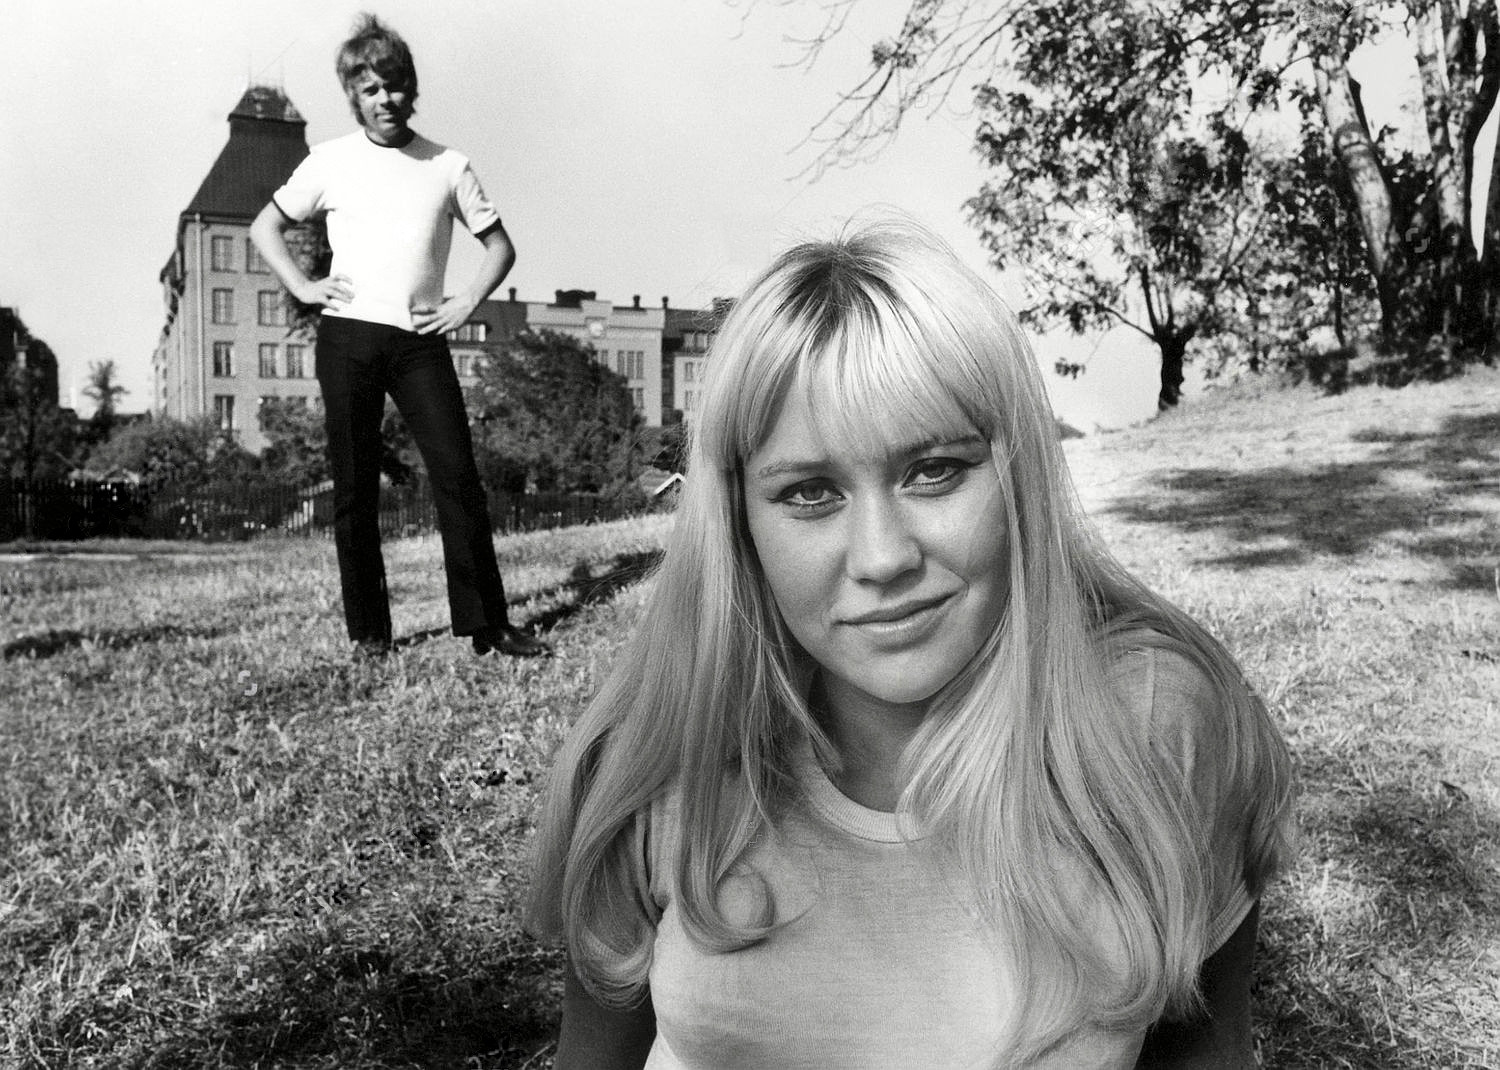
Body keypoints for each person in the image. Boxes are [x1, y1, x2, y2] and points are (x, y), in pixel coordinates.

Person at [526, 217, 1295, 1068]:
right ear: (739, 523)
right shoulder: (657, 759)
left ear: (1020, 478)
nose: (883, 558)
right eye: (810, 493)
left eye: (934, 471)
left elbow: (1206, 1047)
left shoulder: (1158, 721)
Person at [250, 13, 548, 660]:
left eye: (394, 85)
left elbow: (499, 247)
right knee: (355, 490)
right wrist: (303, 286)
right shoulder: (330, 160)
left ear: (412, 88)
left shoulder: (447, 165)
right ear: (353, 97)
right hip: (348, 339)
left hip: (419, 342)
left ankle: (487, 625)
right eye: (370, 89)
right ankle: (370, 635)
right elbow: (264, 227)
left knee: (457, 478)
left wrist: (464, 302)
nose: (385, 99)